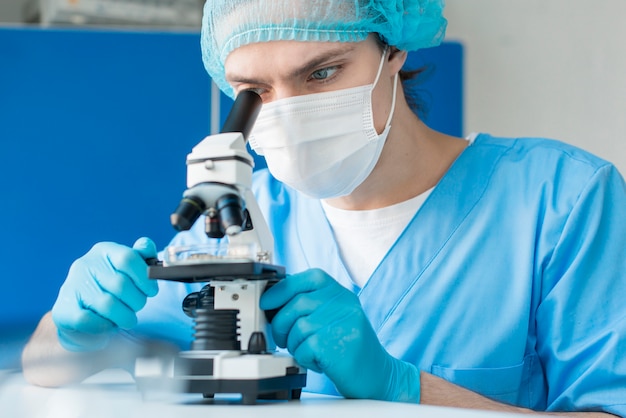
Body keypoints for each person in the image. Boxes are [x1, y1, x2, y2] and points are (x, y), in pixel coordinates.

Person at [21, 0, 626, 416]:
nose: (286, 111)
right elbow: (47, 365)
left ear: (393, 45)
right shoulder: (247, 223)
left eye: (322, 72)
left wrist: (401, 386)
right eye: (254, 93)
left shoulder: (561, 201)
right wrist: (71, 330)